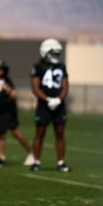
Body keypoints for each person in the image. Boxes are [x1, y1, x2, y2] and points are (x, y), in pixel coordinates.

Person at [29, 38, 71, 172]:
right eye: (54, 53)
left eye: (58, 54)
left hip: (59, 105)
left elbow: (65, 85)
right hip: (43, 106)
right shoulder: (37, 67)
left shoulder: (61, 67)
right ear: (45, 52)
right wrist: (48, 100)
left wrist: (59, 99)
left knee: (60, 133)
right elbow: (35, 88)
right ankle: (36, 162)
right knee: (39, 133)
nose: (57, 56)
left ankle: (61, 162)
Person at [0, 60, 35, 168]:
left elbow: (14, 95)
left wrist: (6, 88)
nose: (0, 71)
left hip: (7, 111)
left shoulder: (7, 81)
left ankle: (31, 153)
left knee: (10, 133)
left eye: (2, 69)